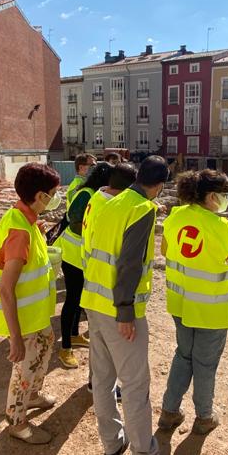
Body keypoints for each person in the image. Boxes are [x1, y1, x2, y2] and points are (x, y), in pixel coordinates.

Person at [80, 156, 185, 455]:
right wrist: (126, 311)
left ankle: (112, 446)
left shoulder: (109, 200)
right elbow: (128, 264)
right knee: (136, 387)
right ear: (159, 186)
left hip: (93, 303)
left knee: (103, 380)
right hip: (118, 310)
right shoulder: (142, 209)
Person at [158, 169, 228, 436]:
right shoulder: (220, 226)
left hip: (181, 303)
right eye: (223, 195)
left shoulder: (176, 217)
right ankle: (204, 416)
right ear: (211, 196)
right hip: (211, 308)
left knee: (183, 356)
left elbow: (164, 250)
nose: (226, 199)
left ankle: (169, 411)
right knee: (205, 364)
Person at [0, 163, 63, 445]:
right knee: (24, 369)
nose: (56, 198)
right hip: (24, 320)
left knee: (45, 347)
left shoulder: (25, 219)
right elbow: (7, 290)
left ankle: (32, 395)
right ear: (41, 196)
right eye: (53, 194)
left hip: (37, 317)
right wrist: (15, 339)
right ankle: (17, 421)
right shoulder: (19, 232)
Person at [81, 161, 136, 395]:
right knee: (111, 346)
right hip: (106, 285)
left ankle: (95, 382)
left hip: (91, 279)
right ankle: (104, 387)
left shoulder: (97, 197)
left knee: (98, 341)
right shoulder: (112, 208)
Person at [56, 162, 111, 369]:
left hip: (82, 256)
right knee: (71, 300)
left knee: (80, 299)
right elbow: (76, 222)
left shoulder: (95, 194)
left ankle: (75, 335)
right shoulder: (86, 194)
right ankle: (65, 348)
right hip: (72, 254)